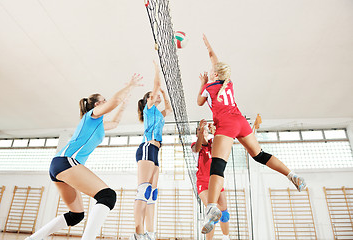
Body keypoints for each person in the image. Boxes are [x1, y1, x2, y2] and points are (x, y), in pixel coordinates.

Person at [197, 34, 307, 234]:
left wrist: (203, 82)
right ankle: (292, 175)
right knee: (260, 155)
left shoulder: (208, 87)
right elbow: (215, 59)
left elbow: (198, 102)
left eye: (211, 71)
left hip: (227, 125)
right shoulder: (228, 83)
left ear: (213, 75)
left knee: (218, 165)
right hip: (241, 122)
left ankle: (212, 206)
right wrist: (209, 49)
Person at [26, 74, 143, 240]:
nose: (107, 102)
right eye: (104, 100)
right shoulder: (92, 116)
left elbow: (115, 123)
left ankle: (32, 239)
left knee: (76, 215)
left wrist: (123, 106)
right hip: (66, 162)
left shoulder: (98, 124)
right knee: (107, 195)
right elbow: (114, 102)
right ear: (97, 105)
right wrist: (129, 86)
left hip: (60, 165)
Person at [131, 61, 172, 240]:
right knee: (144, 191)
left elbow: (169, 109)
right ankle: (138, 233)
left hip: (155, 152)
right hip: (147, 148)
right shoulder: (149, 109)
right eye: (154, 95)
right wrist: (156, 69)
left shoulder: (157, 113)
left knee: (152, 194)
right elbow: (155, 86)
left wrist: (163, 94)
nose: (157, 97)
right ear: (148, 99)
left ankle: (151, 233)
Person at [192, 119, 230, 240]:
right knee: (213, 212)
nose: (202, 131)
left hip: (216, 180)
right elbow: (197, 148)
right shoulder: (195, 145)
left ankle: (226, 237)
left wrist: (216, 131)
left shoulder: (213, 142)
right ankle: (208, 221)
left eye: (204, 130)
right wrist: (201, 130)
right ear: (197, 134)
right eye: (199, 130)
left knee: (224, 214)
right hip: (203, 183)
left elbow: (217, 151)